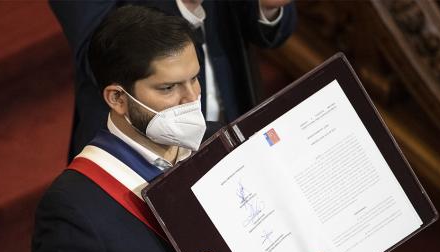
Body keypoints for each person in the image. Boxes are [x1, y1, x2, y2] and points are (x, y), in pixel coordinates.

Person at [28, 5, 349, 252]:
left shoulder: (221, 142)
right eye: (168, 88)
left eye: (194, 79)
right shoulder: (73, 206)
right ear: (117, 98)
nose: (191, 99)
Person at [49, 0, 297, 161]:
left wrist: (268, 8)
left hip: (232, 111)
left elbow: (261, 27)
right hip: (140, 144)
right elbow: (99, 56)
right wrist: (184, 5)